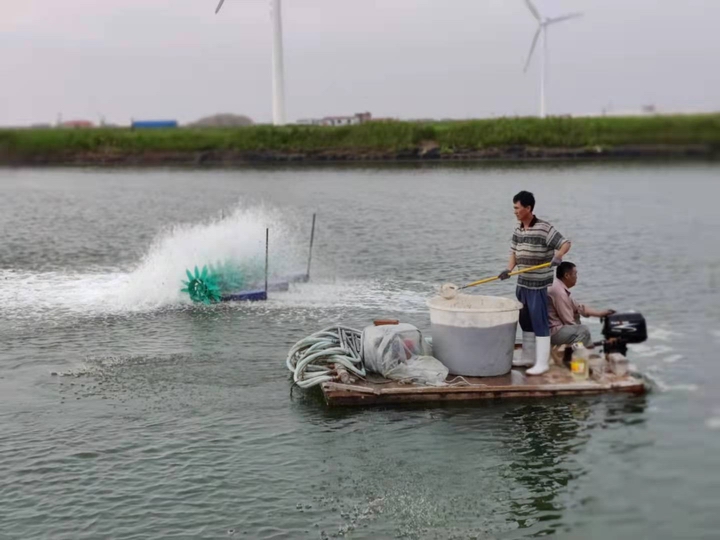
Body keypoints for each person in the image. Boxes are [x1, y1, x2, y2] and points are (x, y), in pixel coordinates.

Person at [499, 191, 571, 375]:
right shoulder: (518, 230)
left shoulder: (544, 228)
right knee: (525, 321)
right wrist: (509, 270)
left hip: (538, 285)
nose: (515, 211)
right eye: (514, 208)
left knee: (540, 322)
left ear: (528, 208)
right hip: (522, 283)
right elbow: (513, 252)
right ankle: (528, 357)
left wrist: (558, 256)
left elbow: (565, 243)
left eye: (517, 208)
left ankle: (542, 363)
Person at [548, 262, 614, 348]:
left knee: (578, 323)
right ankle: (574, 353)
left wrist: (600, 314)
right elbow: (569, 322)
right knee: (583, 331)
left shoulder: (559, 286)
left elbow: (579, 308)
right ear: (567, 275)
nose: (576, 277)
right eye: (575, 274)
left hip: (554, 329)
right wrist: (585, 339)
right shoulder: (559, 292)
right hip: (552, 332)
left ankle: (582, 350)